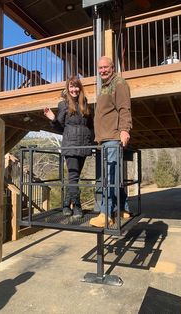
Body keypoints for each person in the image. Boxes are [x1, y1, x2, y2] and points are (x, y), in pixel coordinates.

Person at [90, 56, 133, 227]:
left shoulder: (119, 83)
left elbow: (124, 107)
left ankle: (105, 214)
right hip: (104, 139)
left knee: (109, 177)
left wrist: (125, 129)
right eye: (100, 68)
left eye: (105, 67)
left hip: (113, 137)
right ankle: (123, 208)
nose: (102, 71)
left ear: (113, 67)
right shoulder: (105, 87)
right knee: (114, 176)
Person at [44, 76, 93, 219]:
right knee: (73, 177)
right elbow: (60, 128)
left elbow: (90, 125)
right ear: (67, 88)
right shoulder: (63, 105)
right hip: (70, 145)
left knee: (75, 178)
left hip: (84, 145)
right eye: (71, 87)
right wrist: (53, 119)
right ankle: (77, 206)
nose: (74, 89)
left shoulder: (85, 103)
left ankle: (66, 205)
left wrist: (93, 140)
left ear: (80, 88)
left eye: (76, 86)